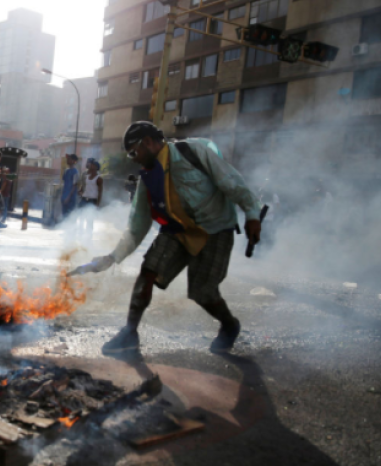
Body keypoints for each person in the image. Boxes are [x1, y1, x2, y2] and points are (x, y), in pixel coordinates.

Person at [72, 121, 263, 358]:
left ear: (149, 142)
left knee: (202, 292)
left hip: (215, 229)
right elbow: (137, 224)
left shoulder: (193, 152)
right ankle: (130, 333)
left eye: (134, 152)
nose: (133, 158)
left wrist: (252, 215)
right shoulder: (148, 178)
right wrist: (112, 258)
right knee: (148, 272)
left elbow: (231, 182)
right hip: (177, 231)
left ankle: (229, 324)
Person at [79, 158, 103, 236]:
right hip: (84, 198)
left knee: (89, 220)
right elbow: (83, 186)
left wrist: (97, 204)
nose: (90, 166)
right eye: (91, 165)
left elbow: (100, 192)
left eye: (92, 165)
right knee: (80, 216)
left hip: (92, 200)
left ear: (96, 167)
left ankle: (88, 236)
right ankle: (80, 234)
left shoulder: (99, 178)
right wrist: (81, 191)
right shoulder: (86, 176)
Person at [61, 154, 80, 221]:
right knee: (64, 216)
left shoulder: (75, 172)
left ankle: (71, 230)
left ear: (73, 161)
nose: (67, 160)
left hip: (70, 199)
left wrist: (68, 197)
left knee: (70, 217)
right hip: (64, 197)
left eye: (69, 159)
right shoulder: (66, 171)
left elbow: (74, 186)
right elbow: (64, 183)